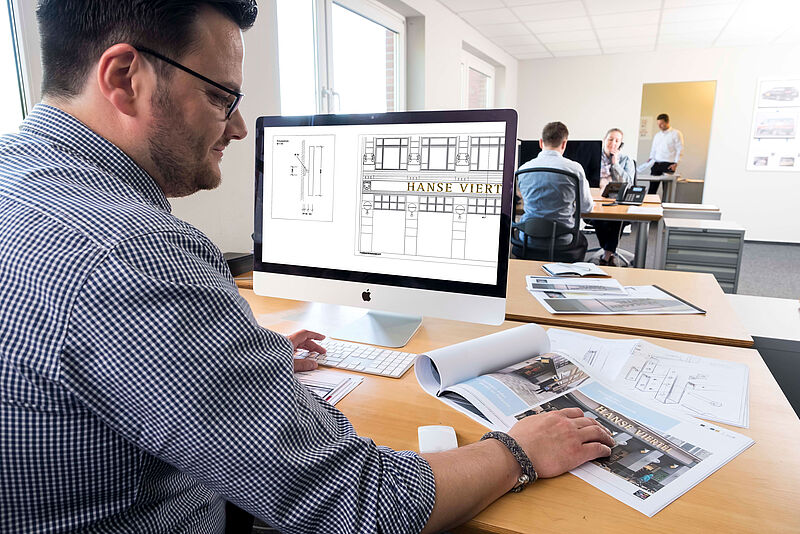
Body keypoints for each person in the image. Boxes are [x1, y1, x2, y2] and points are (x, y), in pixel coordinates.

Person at [0, 2, 615, 533]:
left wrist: (234, 362)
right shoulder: (133, 252)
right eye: (221, 97)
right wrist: (517, 450)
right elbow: (358, 504)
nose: (239, 127)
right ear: (124, 76)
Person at [516, 121, 594, 254]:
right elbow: (586, 207)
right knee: (582, 241)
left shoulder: (523, 169)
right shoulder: (574, 169)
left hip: (528, 238)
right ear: (564, 144)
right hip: (563, 240)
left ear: (541, 142)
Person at [590, 128, 636, 266]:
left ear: (621, 144)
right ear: (604, 140)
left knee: (617, 219)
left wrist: (615, 164)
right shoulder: (594, 158)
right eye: (610, 139)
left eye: (617, 141)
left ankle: (606, 254)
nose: (613, 143)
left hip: (617, 201)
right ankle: (608, 251)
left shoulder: (626, 160)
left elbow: (628, 183)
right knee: (598, 217)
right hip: (595, 200)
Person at [645, 113, 684, 194]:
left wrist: (676, 163)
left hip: (668, 165)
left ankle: (665, 205)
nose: (659, 126)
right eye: (658, 124)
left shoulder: (676, 133)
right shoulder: (657, 135)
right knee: (652, 189)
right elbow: (654, 149)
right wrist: (651, 157)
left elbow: (679, 149)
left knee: (667, 190)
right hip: (656, 164)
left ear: (667, 122)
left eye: (661, 124)